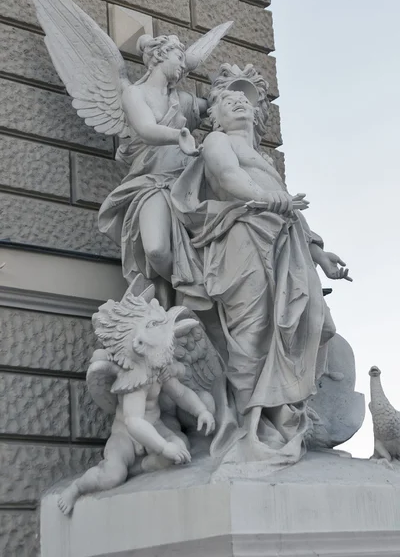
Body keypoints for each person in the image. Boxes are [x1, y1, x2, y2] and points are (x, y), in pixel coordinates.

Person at [172, 89, 351, 464]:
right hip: (243, 238)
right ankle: (248, 428)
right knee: (252, 331)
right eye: (227, 101)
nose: (239, 103)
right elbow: (228, 177)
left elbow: (290, 210)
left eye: (244, 100)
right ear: (215, 118)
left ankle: (282, 415)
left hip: (285, 243)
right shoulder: (218, 141)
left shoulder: (264, 158)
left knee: (297, 325)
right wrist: (272, 201)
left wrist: (320, 253)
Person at [98, 35, 207, 304]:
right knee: (156, 249)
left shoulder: (180, 99)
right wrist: (179, 135)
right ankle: (194, 291)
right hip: (152, 183)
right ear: (159, 55)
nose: (183, 65)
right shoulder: (134, 93)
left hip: (187, 183)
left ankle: (185, 301)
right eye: (179, 57)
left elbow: (217, 107)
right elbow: (146, 129)